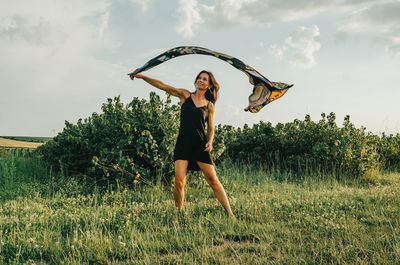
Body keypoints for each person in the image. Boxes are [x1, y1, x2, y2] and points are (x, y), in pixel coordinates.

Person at [128, 70, 235, 218]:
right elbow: (163, 86)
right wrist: (142, 76)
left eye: (204, 79)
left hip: (200, 145)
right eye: (199, 78)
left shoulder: (209, 105)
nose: (200, 80)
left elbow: (211, 128)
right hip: (183, 144)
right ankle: (179, 214)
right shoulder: (185, 95)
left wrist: (210, 142)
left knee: (213, 180)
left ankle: (230, 214)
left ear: (210, 85)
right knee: (179, 182)